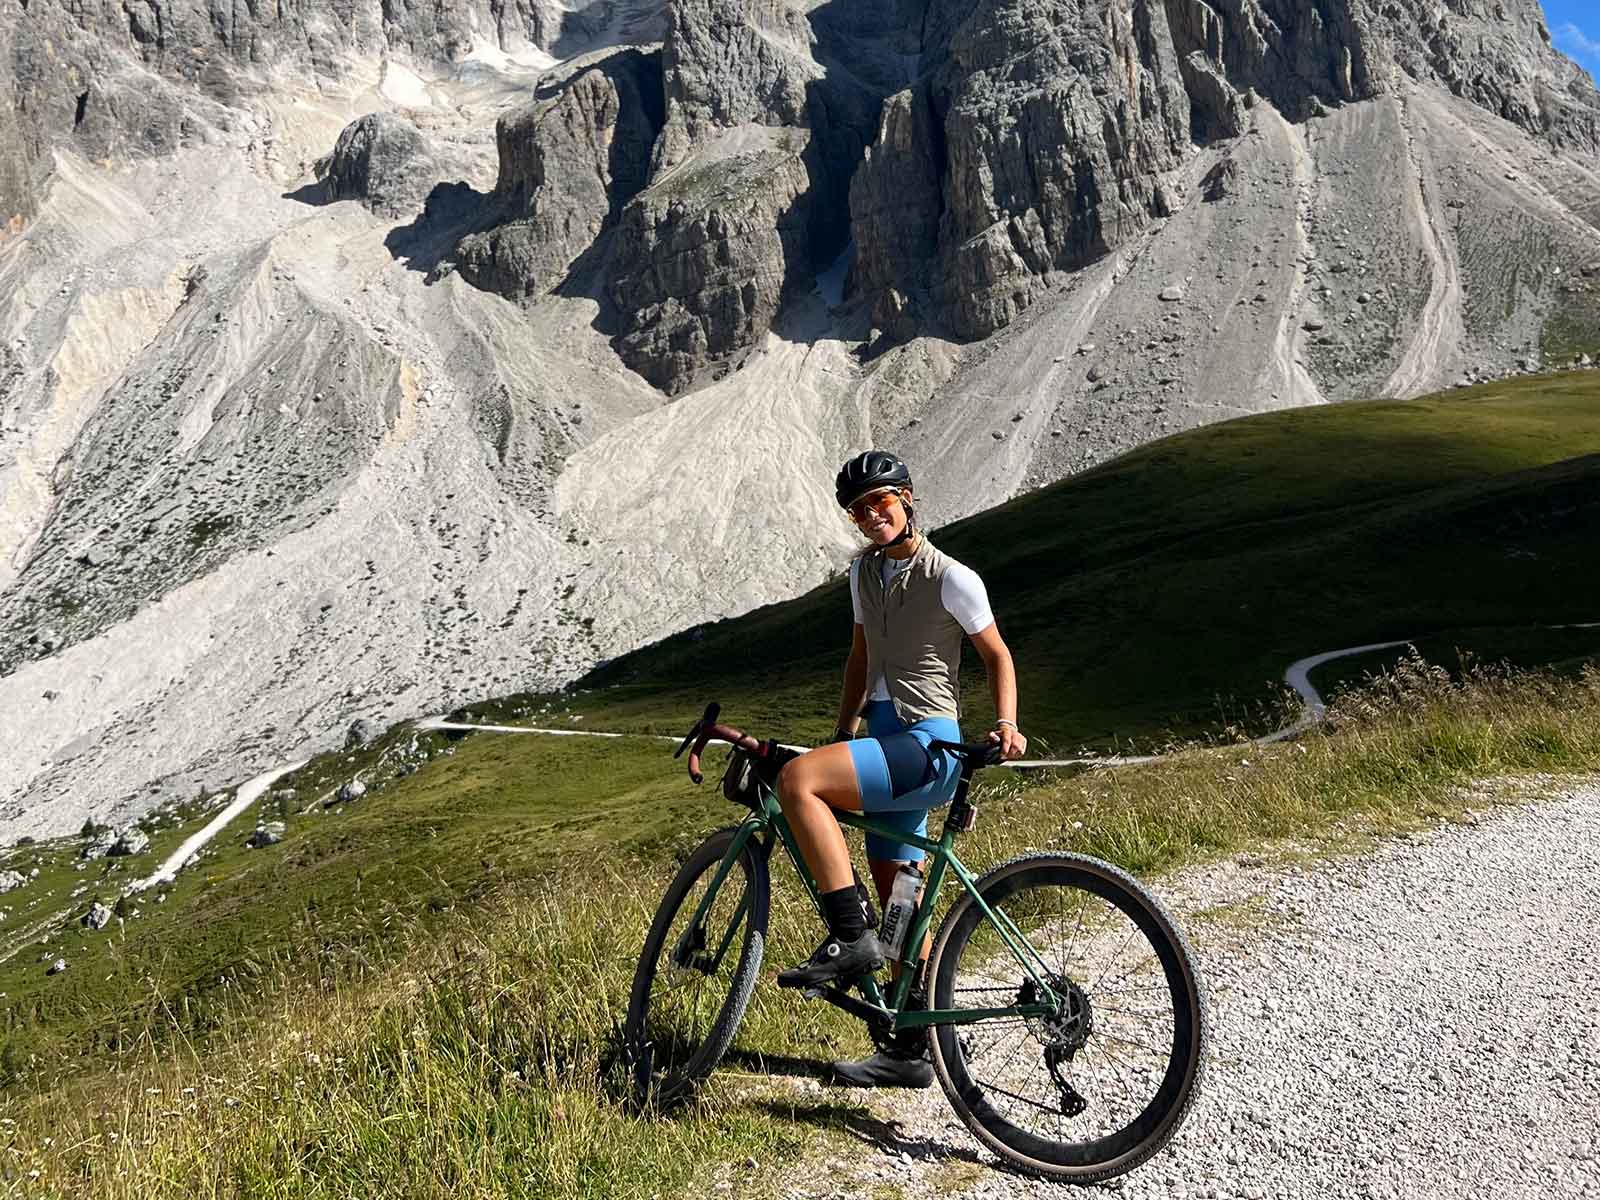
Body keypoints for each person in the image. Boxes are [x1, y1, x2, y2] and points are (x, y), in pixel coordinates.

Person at [775, 450, 1027, 1088]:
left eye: (880, 502)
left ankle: (846, 934)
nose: (871, 516)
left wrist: (1005, 723)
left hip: (925, 744)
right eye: (860, 510)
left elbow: (998, 656)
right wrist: (843, 728)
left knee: (799, 781)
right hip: (886, 741)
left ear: (908, 498)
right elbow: (859, 657)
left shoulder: (952, 577)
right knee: (901, 903)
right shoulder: (864, 574)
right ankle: (910, 1049)